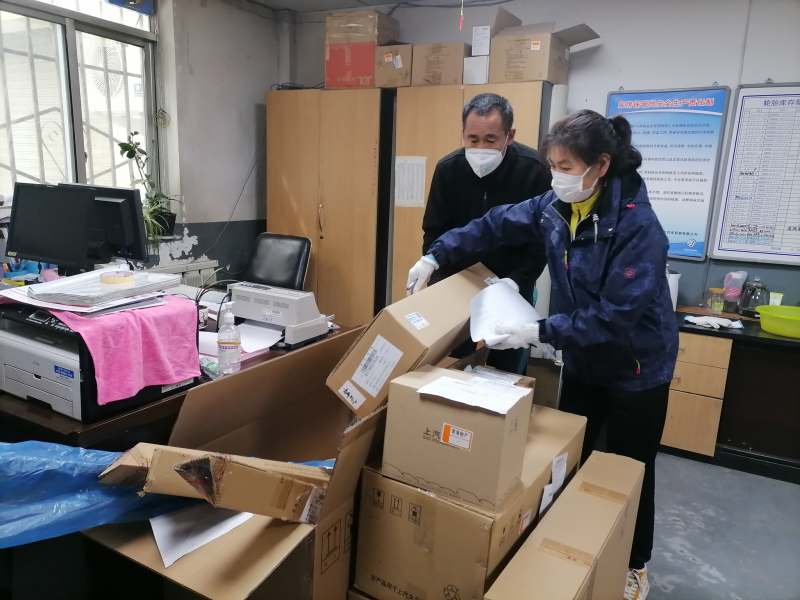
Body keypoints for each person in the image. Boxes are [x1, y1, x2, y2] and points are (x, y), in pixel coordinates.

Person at [407, 109, 678, 600]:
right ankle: (574, 547)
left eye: (566, 167)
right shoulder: (555, 206)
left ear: (600, 165)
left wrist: (537, 331)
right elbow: (494, 224)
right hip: (582, 359)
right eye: (553, 165)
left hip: (636, 366)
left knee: (630, 468)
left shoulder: (638, 227)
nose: (557, 177)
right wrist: (436, 253)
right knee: (572, 455)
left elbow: (615, 317)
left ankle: (633, 562)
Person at [419, 93, 551, 374]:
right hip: (458, 285)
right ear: (463, 133)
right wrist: (437, 280)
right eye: (473, 139)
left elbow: (542, 241)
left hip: (511, 285)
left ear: (510, 135)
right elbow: (435, 230)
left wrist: (517, 281)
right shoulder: (449, 169)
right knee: (451, 369)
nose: (480, 148)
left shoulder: (535, 170)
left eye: (490, 140)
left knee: (506, 373)